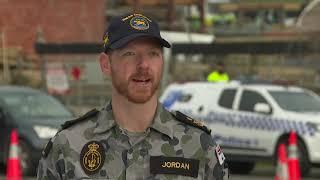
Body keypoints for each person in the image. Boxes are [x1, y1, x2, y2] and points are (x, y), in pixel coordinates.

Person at [37, 13, 229, 180]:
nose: (144, 65)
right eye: (130, 53)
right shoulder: (68, 145)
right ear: (106, 64)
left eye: (153, 54)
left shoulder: (200, 146)